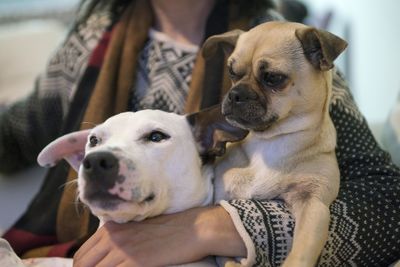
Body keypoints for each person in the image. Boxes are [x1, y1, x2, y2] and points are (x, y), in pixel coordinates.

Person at [1, 0, 399, 266]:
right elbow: (18, 133)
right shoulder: (92, 40)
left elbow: (386, 204)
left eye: (270, 80)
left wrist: (214, 227)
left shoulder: (285, 47)